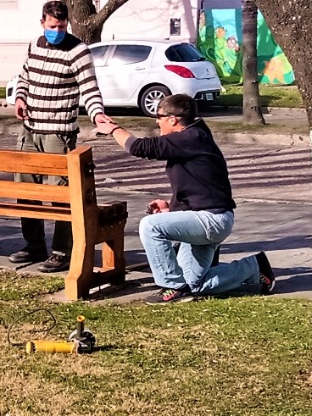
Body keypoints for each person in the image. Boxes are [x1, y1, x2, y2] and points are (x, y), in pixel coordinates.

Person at [94, 93, 276, 304]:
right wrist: (171, 208)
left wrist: (114, 129)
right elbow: (201, 188)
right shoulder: (191, 138)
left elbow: (139, 147)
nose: (156, 121)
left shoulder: (191, 138)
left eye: (159, 116)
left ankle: (171, 286)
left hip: (212, 220)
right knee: (193, 285)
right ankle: (254, 267)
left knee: (150, 227)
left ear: (173, 119)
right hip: (205, 218)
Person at [9, 0, 113, 273]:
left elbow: (89, 89)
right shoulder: (35, 45)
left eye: (63, 26)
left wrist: (97, 115)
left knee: (60, 193)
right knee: (27, 191)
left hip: (58, 132)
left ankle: (61, 251)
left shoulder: (78, 51)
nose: (58, 30)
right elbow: (24, 76)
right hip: (29, 130)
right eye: (53, 26)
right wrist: (20, 98)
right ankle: (33, 245)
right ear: (42, 22)